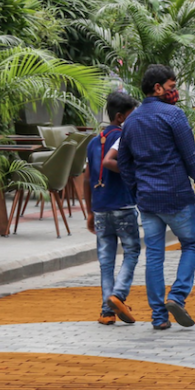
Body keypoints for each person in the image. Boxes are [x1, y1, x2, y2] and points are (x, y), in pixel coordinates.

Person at [118, 64, 195, 330]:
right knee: (191, 244)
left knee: (154, 255)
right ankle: (177, 297)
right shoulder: (174, 115)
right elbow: (191, 156)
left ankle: (159, 316)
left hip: (148, 199)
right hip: (177, 195)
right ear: (158, 88)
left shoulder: (131, 121)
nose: (175, 92)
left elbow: (124, 162)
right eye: (172, 87)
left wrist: (136, 189)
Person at [85, 92, 141, 326]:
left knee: (106, 260)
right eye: (131, 115)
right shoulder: (125, 138)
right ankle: (118, 295)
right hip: (123, 205)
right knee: (132, 251)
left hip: (100, 207)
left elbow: (86, 177)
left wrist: (89, 211)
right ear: (120, 117)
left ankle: (106, 312)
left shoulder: (92, 142)